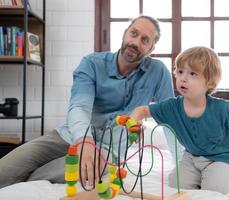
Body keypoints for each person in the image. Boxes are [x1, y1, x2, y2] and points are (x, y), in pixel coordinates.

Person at [0, 15, 174, 189]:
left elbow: (171, 119)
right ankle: (18, 176)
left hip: (109, 151)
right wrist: (85, 141)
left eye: (145, 40)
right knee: (5, 170)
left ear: (151, 49)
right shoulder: (92, 63)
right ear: (125, 33)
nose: (135, 42)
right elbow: (79, 107)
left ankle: (24, 183)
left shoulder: (158, 72)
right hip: (68, 136)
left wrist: (183, 164)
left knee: (91, 167)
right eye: (133, 33)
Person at [130, 46, 229, 194]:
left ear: (209, 83)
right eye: (180, 71)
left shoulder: (222, 108)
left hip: (222, 158)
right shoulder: (171, 106)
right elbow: (142, 110)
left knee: (216, 188)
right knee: (176, 182)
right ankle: (204, 175)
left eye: (192, 74)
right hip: (192, 157)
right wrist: (133, 124)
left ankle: (227, 177)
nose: (183, 78)